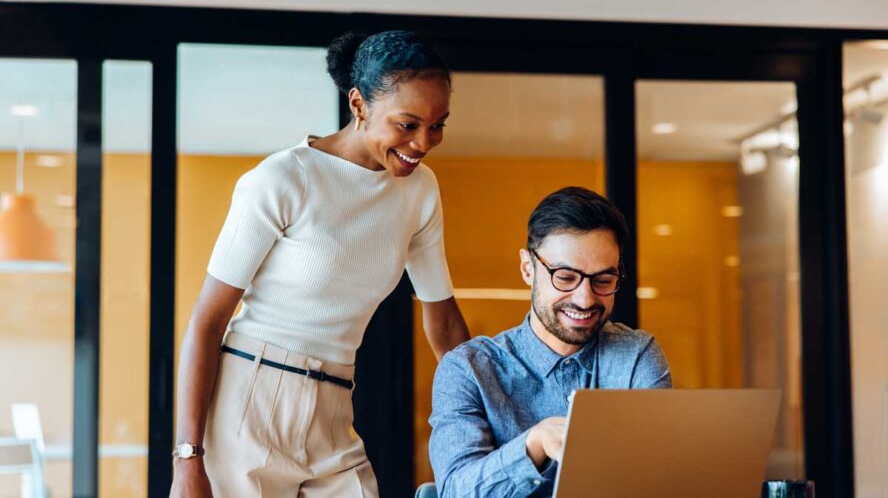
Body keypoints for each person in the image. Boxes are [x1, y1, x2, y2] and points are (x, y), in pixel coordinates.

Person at [169, 30, 470, 498]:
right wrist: (188, 459)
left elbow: (445, 322)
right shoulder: (283, 179)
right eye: (407, 124)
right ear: (358, 105)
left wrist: (485, 415)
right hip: (249, 400)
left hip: (335, 402)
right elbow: (208, 322)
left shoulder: (420, 190)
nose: (424, 142)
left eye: (437, 125)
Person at [428, 187, 672, 498]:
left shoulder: (636, 355)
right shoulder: (468, 369)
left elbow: (658, 480)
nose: (585, 299)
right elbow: (455, 492)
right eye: (566, 278)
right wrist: (534, 444)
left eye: (603, 281)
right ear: (527, 268)